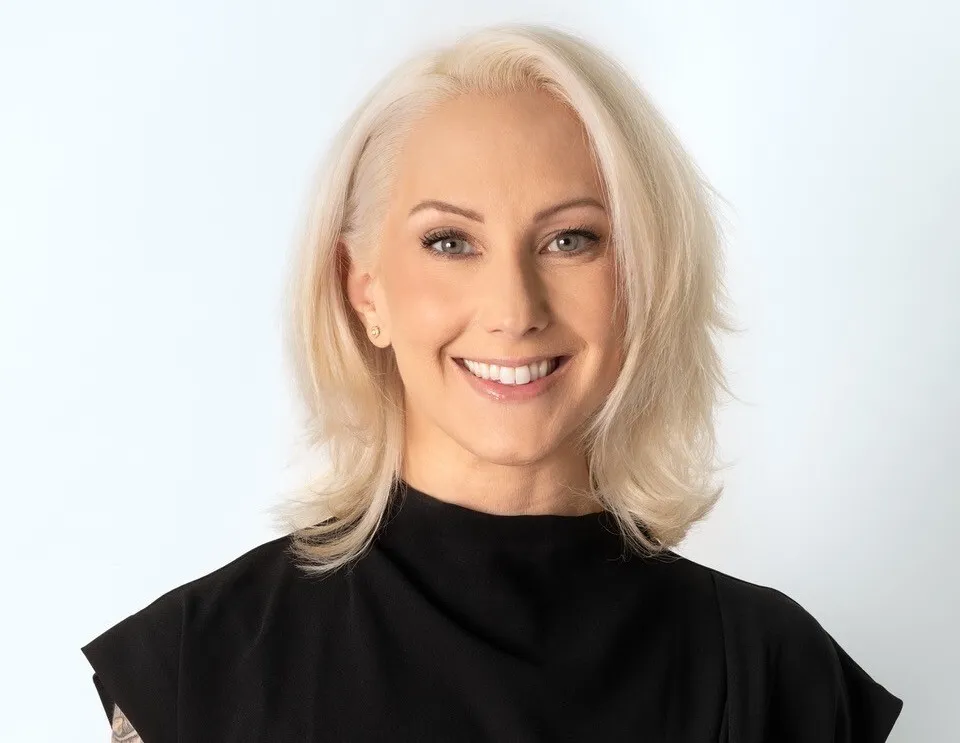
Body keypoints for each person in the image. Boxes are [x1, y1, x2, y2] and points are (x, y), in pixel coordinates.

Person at [81, 22, 903, 742]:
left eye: (570, 239)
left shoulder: (779, 675)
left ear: (646, 277)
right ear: (365, 289)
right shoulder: (202, 669)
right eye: (449, 241)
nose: (514, 308)